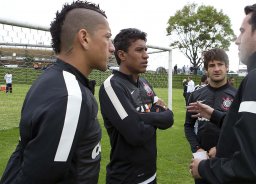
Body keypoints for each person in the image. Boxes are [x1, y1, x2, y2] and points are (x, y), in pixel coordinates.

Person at [0, 1, 114, 184]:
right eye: (107, 37)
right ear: (84, 38)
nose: (112, 47)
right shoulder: (71, 96)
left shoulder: (50, 80)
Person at [190, 1, 256, 183]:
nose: (237, 40)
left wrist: (204, 168)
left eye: (242, 31)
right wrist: (217, 116)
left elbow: (255, 170)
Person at [99, 28, 174, 184]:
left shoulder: (145, 84)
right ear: (122, 55)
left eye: (146, 50)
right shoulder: (112, 86)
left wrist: (140, 117)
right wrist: (156, 114)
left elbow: (169, 119)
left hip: (150, 175)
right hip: (126, 178)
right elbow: (136, 135)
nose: (146, 55)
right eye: (139, 50)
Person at [185, 48, 237, 184]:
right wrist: (197, 149)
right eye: (212, 65)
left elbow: (240, 129)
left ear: (227, 67)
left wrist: (220, 148)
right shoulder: (196, 95)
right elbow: (188, 126)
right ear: (206, 69)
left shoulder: (237, 96)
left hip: (227, 159)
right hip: (202, 158)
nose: (217, 69)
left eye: (220, 64)